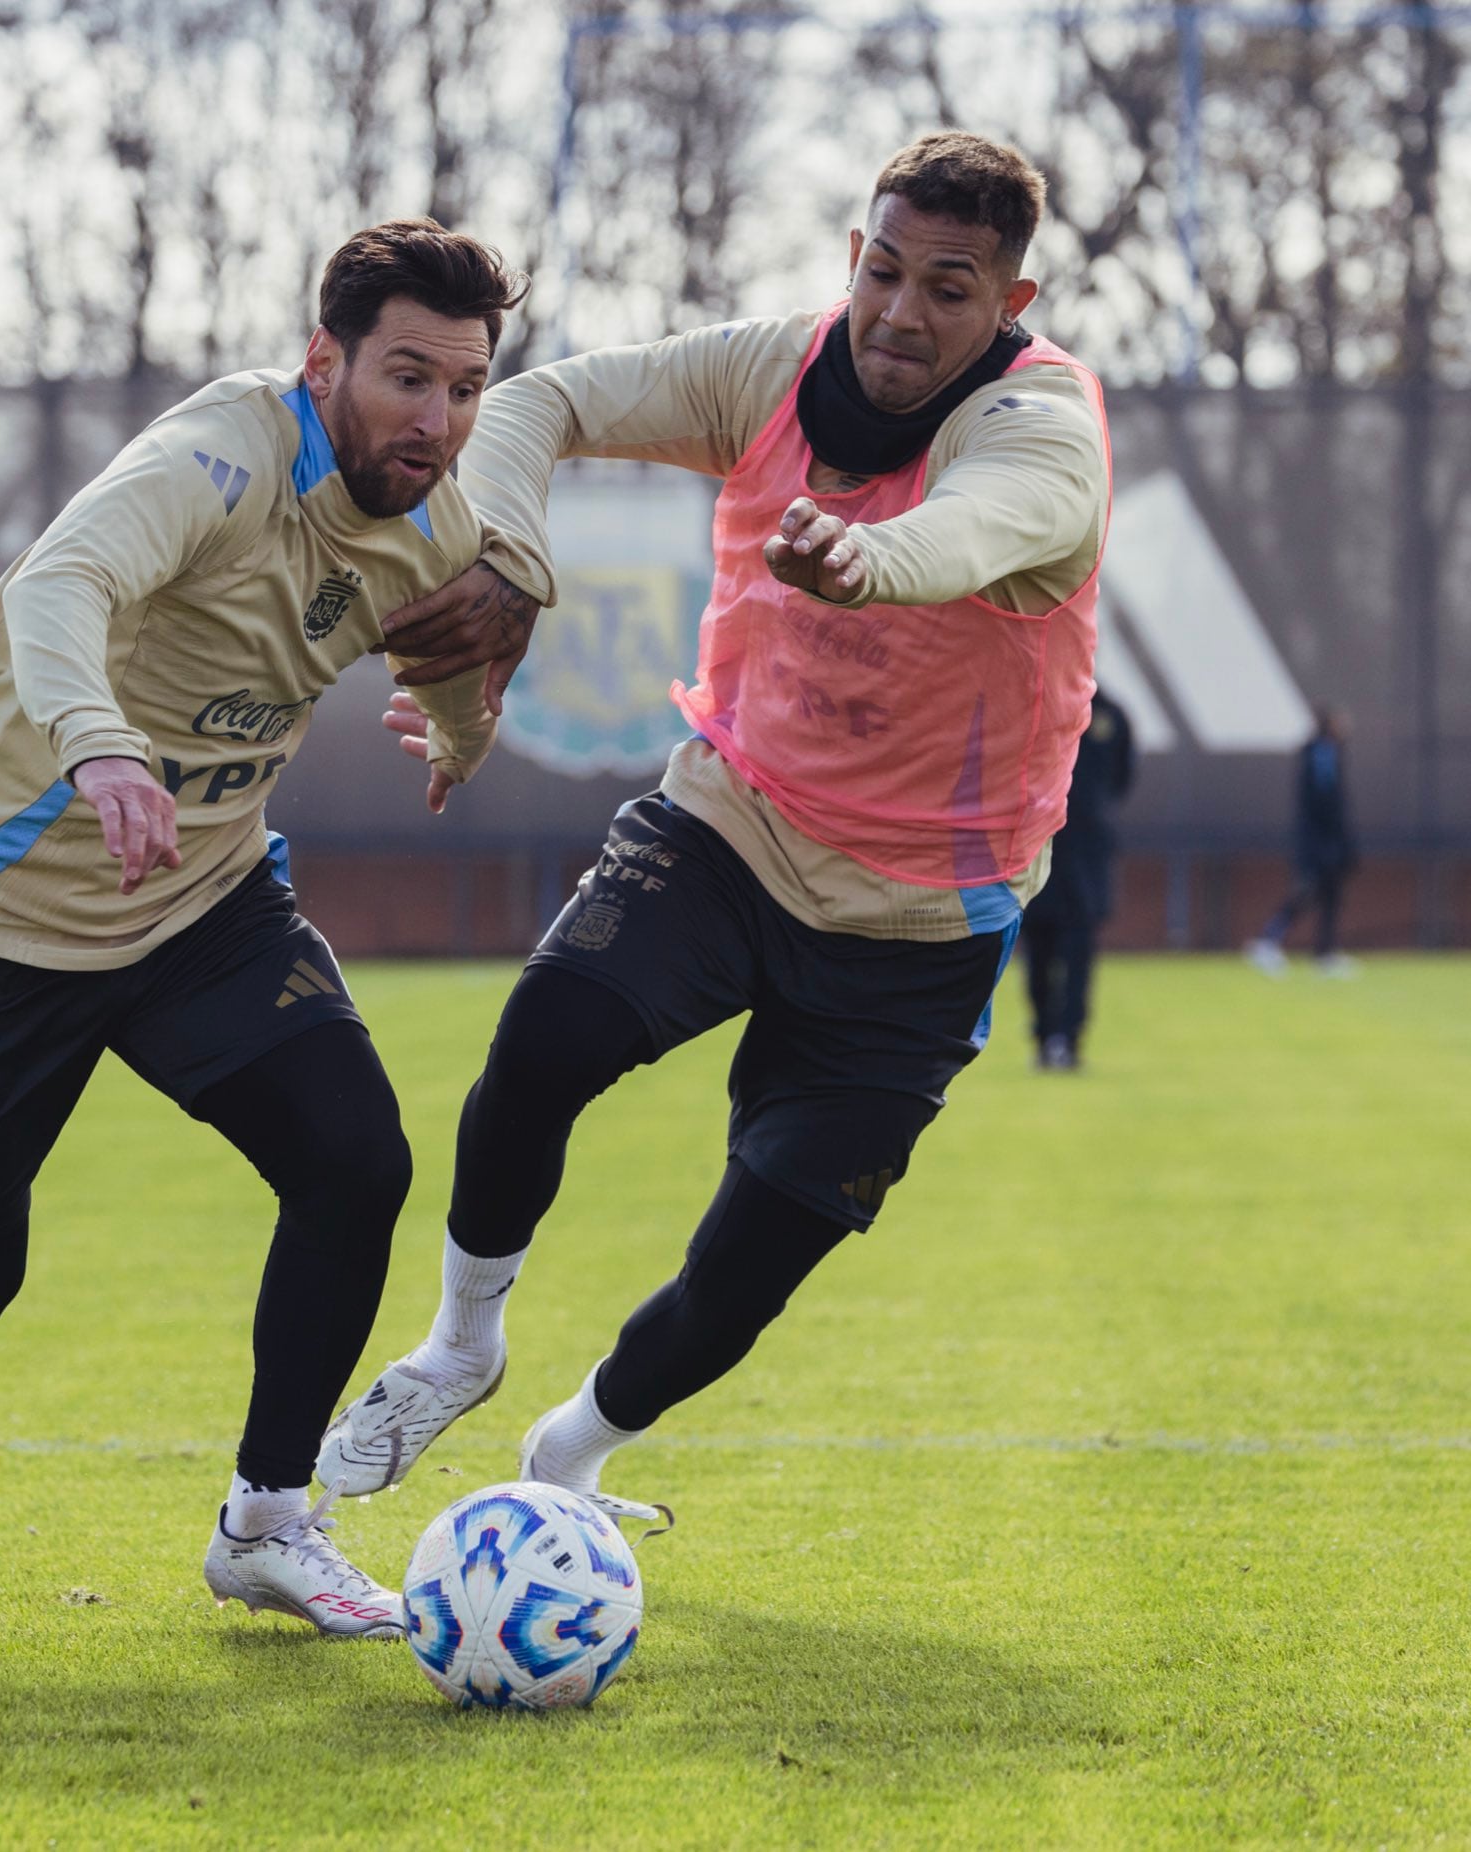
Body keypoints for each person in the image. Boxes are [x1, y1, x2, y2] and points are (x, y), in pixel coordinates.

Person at [0, 221, 528, 1636]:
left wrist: (461, 736)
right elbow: (59, 587)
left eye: (465, 388)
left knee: (354, 1162)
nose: (438, 420)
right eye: (408, 378)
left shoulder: (434, 522)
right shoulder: (215, 460)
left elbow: (449, 645)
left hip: (201, 907)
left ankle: (267, 1522)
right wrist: (99, 748)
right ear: (323, 361)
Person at [318, 132, 1111, 1522]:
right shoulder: (767, 369)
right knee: (543, 1039)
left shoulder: (1043, 426)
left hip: (924, 914)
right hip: (732, 823)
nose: (900, 313)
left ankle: (572, 1448)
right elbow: (539, 403)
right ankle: (459, 1345)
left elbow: (981, 526)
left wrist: (866, 557)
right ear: (852, 258)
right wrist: (513, 561)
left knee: (745, 1271)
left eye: (947, 288)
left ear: (1010, 303)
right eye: (881, 271)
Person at [1021, 685, 1135, 1069]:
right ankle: (1044, 1035)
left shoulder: (1110, 715)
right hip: (1039, 848)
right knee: (1039, 950)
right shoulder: (1033, 704)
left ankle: (1068, 1039)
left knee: (1079, 951)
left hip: (1085, 854)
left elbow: (1120, 779)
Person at [1245, 707, 1356, 976]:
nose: (1346, 726)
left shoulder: (1329, 752)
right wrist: (1331, 840)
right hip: (1319, 842)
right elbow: (1323, 801)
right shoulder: (1320, 753)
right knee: (1305, 890)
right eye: (1340, 721)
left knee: (1331, 895)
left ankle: (1325, 953)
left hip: (1327, 840)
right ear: (1329, 724)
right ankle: (1267, 942)